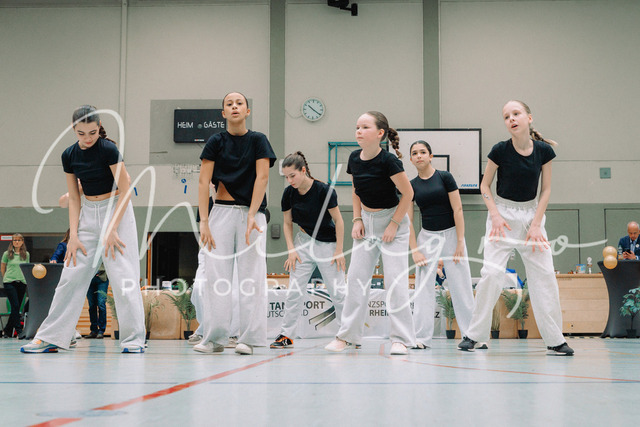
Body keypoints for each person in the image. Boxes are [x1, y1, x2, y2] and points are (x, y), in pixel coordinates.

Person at [21, 105, 145, 354]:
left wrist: (112, 228)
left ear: (99, 127)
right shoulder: (68, 155)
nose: (87, 138)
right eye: (81, 133)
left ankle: (134, 340)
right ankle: (52, 336)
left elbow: (126, 189)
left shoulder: (108, 150)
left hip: (116, 209)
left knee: (124, 277)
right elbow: (75, 198)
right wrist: (74, 236)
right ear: (73, 129)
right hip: (88, 212)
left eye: (92, 132)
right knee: (70, 276)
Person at [458, 100, 574, 356]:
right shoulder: (499, 150)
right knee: (491, 274)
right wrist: (495, 215)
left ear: (529, 118)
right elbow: (484, 186)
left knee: (545, 277)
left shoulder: (543, 151)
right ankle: (474, 335)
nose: (511, 118)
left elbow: (546, 190)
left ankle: (555, 340)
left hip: (533, 216)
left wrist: (536, 224)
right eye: (506, 116)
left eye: (516, 113)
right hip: (502, 216)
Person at [325, 111, 416, 355]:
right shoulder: (354, 158)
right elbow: (356, 190)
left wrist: (394, 224)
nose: (359, 131)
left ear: (380, 133)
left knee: (395, 282)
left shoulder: (389, 162)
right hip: (366, 223)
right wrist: (357, 219)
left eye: (365, 127)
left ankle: (401, 339)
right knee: (355, 280)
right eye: (357, 127)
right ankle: (348, 336)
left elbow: (408, 194)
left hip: (393, 222)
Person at [195, 92, 276, 355]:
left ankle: (249, 339)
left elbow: (262, 178)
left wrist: (252, 214)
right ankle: (215, 338)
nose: (234, 107)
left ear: (247, 111)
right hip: (220, 212)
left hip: (252, 215)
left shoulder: (258, 140)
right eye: (229, 104)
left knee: (252, 277)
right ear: (223, 113)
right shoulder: (215, 141)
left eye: (239, 103)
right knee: (216, 276)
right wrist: (204, 221)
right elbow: (203, 182)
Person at [270, 152, 346, 349]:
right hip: (303, 242)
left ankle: (347, 334)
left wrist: (339, 250)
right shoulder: (288, 193)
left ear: (303, 170)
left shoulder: (324, 191)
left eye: (292, 175)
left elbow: (339, 220)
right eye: (286, 177)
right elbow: (287, 223)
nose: (290, 180)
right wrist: (291, 250)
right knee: (294, 291)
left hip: (327, 244)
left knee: (338, 292)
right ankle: (286, 335)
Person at [408, 140, 475, 350]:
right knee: (423, 288)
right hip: (426, 237)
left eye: (423, 152)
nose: (419, 156)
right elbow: (408, 220)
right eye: (414, 153)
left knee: (461, 285)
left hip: (452, 235)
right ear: (411, 159)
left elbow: (458, 209)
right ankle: (421, 337)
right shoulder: (411, 185)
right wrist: (415, 250)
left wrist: (460, 241)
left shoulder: (445, 177)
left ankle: (472, 336)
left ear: (430, 156)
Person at [1, 234, 30, 338]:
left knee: (15, 308)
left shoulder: (26, 254)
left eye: (18, 240)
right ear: (12, 242)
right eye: (14, 240)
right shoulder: (7, 254)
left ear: (22, 242)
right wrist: (5, 278)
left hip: (21, 282)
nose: (16, 242)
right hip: (9, 282)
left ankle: (7, 331)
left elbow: (27, 268)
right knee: (16, 306)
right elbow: (3, 267)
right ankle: (19, 331)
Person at [86, 264, 108, 339]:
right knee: (91, 305)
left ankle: (101, 331)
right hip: (89, 278)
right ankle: (94, 330)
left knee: (101, 303)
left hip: (102, 277)